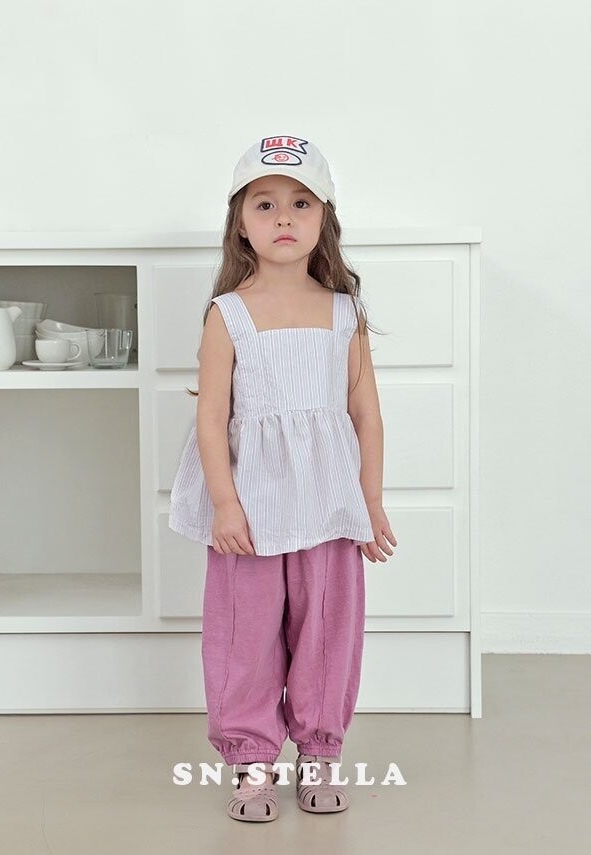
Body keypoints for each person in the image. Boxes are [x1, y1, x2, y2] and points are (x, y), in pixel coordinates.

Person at [169, 134, 397, 822]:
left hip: (328, 504)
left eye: (301, 203)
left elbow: (366, 413)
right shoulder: (228, 314)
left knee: (327, 631)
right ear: (241, 222)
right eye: (264, 204)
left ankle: (320, 749)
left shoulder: (344, 311)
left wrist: (370, 501)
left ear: (325, 217)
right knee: (245, 636)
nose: (284, 218)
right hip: (253, 509)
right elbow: (212, 418)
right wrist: (225, 502)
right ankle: (252, 759)